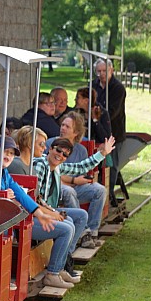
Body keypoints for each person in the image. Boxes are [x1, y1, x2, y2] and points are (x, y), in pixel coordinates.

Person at [0, 136, 78, 288]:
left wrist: (40, 214)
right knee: (6, 236)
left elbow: (20, 194)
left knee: (9, 235)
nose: (8, 156)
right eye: (5, 151)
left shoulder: (2, 173)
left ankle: (6, 279)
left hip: (2, 222)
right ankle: (1, 281)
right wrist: (0, 195)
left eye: (12, 154)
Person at [33, 136, 115, 275]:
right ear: (51, 148)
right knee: (68, 223)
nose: (60, 155)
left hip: (48, 209)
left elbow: (80, 167)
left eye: (65, 154)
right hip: (38, 213)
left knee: (81, 215)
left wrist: (102, 153)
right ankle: (56, 270)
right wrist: (53, 213)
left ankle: (64, 258)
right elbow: (36, 199)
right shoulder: (42, 165)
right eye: (58, 151)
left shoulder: (57, 167)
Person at [48, 111, 108, 248]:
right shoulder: (52, 144)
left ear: (75, 133)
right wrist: (74, 181)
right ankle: (84, 233)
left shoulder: (81, 150)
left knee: (99, 190)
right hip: (58, 189)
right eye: (62, 125)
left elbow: (80, 171)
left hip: (76, 188)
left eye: (67, 127)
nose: (62, 128)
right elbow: (54, 173)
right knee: (68, 190)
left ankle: (92, 231)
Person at [92, 59, 126, 205]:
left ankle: (109, 193)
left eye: (104, 71)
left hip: (114, 133)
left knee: (112, 165)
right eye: (99, 71)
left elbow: (112, 112)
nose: (101, 74)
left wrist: (98, 115)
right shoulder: (93, 85)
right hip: (96, 132)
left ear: (111, 70)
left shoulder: (118, 88)